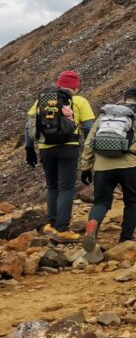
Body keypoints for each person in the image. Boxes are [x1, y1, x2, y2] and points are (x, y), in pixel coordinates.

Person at [80, 87, 136, 251]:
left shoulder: (103, 116)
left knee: (101, 202)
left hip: (102, 167)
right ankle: (126, 237)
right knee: (132, 200)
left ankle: (93, 229)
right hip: (128, 166)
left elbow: (89, 143)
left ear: (123, 98)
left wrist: (86, 167)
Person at [25, 70, 95, 241]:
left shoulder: (42, 100)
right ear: (76, 87)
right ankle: (62, 228)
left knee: (52, 186)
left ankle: (52, 223)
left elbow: (29, 126)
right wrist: (90, 150)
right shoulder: (79, 101)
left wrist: (29, 148)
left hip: (45, 148)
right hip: (68, 148)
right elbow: (89, 128)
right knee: (66, 188)